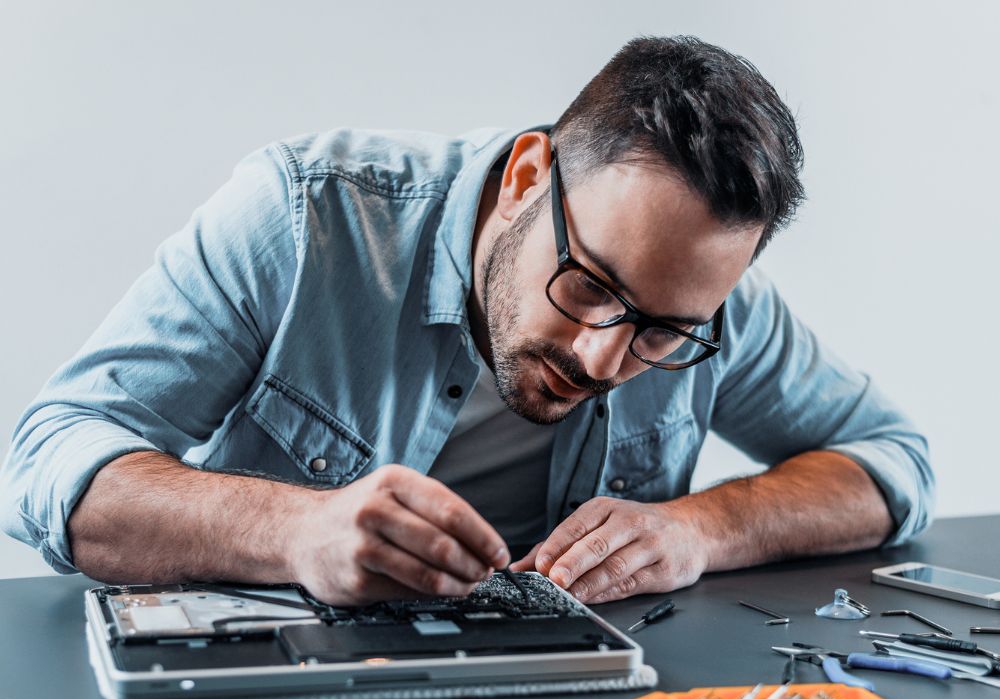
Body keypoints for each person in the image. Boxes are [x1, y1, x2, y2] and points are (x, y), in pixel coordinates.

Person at [0, 36, 933, 607]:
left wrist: (701, 529)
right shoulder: (306, 216)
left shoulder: (702, 311)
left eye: (659, 331)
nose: (606, 357)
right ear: (528, 177)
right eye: (591, 285)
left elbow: (894, 461)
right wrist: (297, 532)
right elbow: (45, 461)